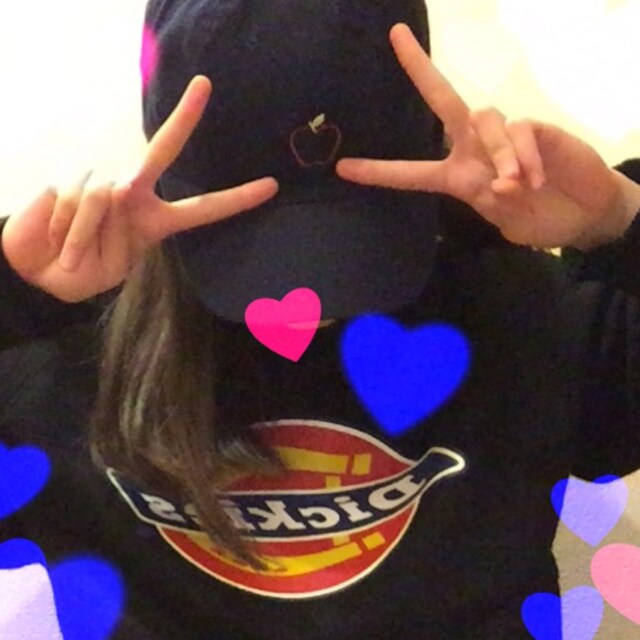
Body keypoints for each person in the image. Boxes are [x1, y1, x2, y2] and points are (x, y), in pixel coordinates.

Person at [1, 1, 640, 639]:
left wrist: (618, 218)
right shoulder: (58, 349)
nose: (312, 300)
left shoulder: (527, 315)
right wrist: (11, 292)